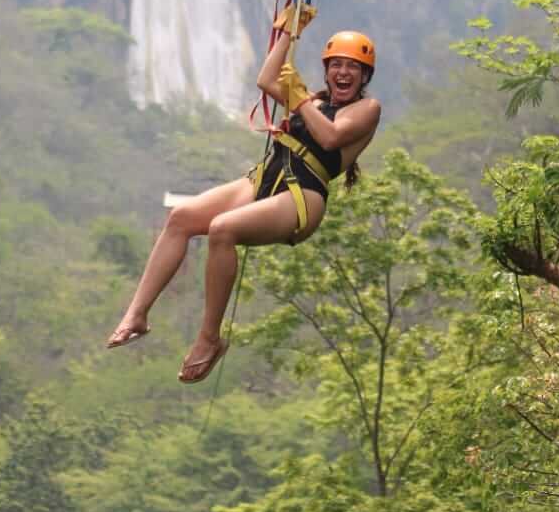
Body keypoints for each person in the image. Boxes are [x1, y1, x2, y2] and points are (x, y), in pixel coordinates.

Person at [106, 19, 381, 383]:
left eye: (353, 68)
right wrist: (289, 32)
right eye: (337, 65)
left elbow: (331, 138)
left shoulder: (366, 109)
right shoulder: (312, 100)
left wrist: (298, 99)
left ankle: (209, 338)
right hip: (267, 176)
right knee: (182, 218)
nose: (344, 73)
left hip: (303, 194)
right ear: (327, 70)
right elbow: (267, 80)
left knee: (222, 230)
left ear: (364, 77)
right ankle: (136, 314)